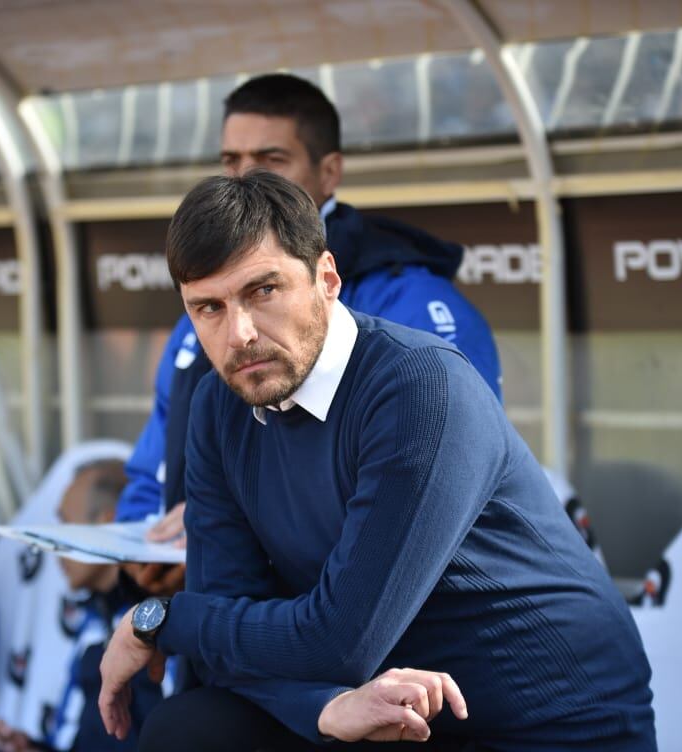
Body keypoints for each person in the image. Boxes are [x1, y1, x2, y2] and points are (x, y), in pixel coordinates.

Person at [97, 172, 655, 750]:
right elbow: (229, 628)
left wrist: (166, 621)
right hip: (380, 706)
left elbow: (339, 639)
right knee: (192, 730)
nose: (239, 334)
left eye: (263, 291)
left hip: (541, 722)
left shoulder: (420, 386)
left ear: (327, 279)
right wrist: (323, 708)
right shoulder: (220, 402)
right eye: (208, 308)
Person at [117, 72, 500, 595]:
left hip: (387, 626)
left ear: (329, 172)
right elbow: (155, 469)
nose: (246, 178)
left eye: (271, 161)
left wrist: (218, 531)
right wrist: (142, 544)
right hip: (220, 602)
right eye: (231, 162)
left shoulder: (411, 305)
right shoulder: (202, 320)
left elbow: (434, 490)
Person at [0, 456, 163, 752]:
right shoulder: (95, 616)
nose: (57, 546)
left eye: (65, 523)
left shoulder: (152, 626)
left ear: (105, 523)